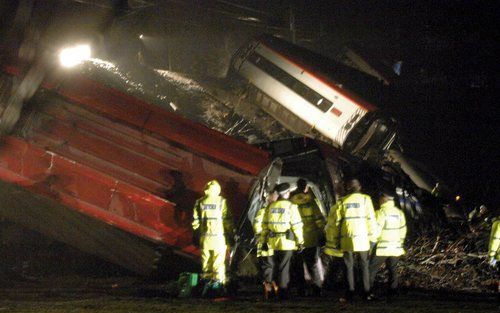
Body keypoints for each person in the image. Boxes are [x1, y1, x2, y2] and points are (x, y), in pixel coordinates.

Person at [324, 178, 377, 302]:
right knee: (364, 265)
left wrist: (334, 241)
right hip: (363, 239)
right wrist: (373, 238)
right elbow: (371, 220)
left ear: (348, 188)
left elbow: (335, 223)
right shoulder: (366, 200)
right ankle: (367, 293)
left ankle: (350, 293)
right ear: (359, 187)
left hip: (346, 238)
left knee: (348, 266)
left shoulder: (342, 201)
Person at [260, 182, 304, 299]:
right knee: (283, 267)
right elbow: (297, 225)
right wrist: (300, 242)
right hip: (287, 242)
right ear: (287, 193)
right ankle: (282, 292)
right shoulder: (291, 206)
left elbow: (264, 226)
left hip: (272, 241)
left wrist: (263, 241)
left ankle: (271, 290)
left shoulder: (270, 207)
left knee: (273, 267)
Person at [192, 180, 234, 288]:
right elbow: (227, 220)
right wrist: (231, 232)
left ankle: (206, 282)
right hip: (219, 238)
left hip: (205, 238)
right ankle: (218, 285)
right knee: (218, 263)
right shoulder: (222, 202)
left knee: (206, 262)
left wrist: (197, 232)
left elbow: (195, 222)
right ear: (218, 189)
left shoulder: (200, 202)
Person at [369, 191, 407, 300]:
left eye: (380, 199)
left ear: (383, 200)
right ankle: (393, 291)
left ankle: (368, 291)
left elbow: (376, 231)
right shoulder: (399, 213)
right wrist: (399, 242)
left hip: (382, 248)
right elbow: (403, 230)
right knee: (392, 269)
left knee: (371, 269)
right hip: (395, 248)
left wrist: (371, 243)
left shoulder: (381, 213)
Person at [290, 178, 325, 296]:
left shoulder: (292, 201)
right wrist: (321, 233)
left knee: (298, 265)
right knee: (313, 264)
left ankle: (301, 289)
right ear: (305, 187)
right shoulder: (311, 200)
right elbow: (319, 219)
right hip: (311, 237)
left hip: (296, 239)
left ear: (297, 186)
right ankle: (317, 288)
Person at [253, 190, 278, 299]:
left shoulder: (262, 211)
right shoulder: (271, 212)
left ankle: (268, 289)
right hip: (269, 245)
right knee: (270, 267)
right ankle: (270, 289)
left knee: (267, 267)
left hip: (266, 244)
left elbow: (257, 226)